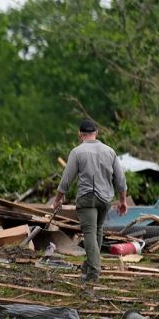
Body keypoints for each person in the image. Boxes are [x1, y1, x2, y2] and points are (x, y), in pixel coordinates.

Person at [51, 119, 131, 283]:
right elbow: (121, 180)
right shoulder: (110, 151)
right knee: (97, 230)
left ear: (80, 134)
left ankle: (94, 272)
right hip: (104, 199)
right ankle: (89, 265)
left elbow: (66, 179)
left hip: (87, 198)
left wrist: (58, 199)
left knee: (89, 232)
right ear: (97, 133)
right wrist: (123, 200)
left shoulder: (77, 152)